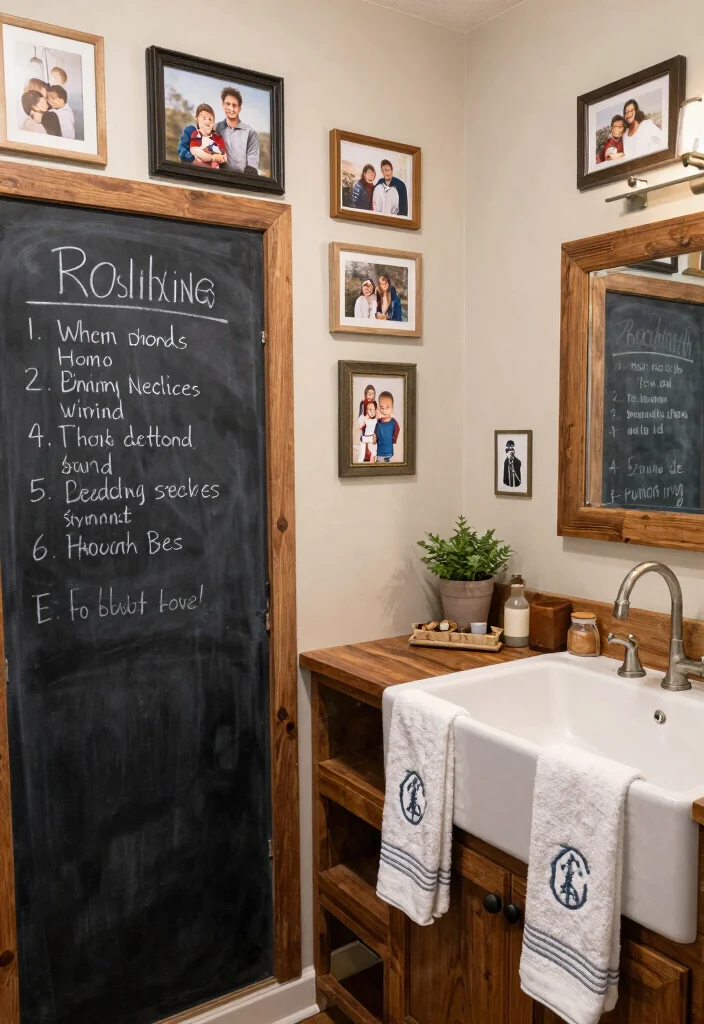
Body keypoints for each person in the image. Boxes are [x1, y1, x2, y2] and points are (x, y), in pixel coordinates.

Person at [215, 87, 260, 174]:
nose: (231, 109)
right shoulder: (215, 128)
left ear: (239, 108)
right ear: (223, 105)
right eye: (228, 104)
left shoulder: (250, 133)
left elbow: (252, 167)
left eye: (234, 105)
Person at [188, 103, 227, 168]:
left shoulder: (218, 138)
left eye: (210, 119)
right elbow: (194, 150)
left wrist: (222, 158)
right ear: (197, 118)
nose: (207, 122)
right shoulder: (196, 134)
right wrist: (212, 157)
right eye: (204, 118)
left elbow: (224, 156)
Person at [375, 391, 400, 463]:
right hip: (379, 452)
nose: (384, 410)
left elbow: (396, 431)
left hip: (389, 452)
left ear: (392, 409)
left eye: (387, 407)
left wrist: (394, 439)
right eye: (382, 408)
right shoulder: (377, 423)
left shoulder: (393, 423)